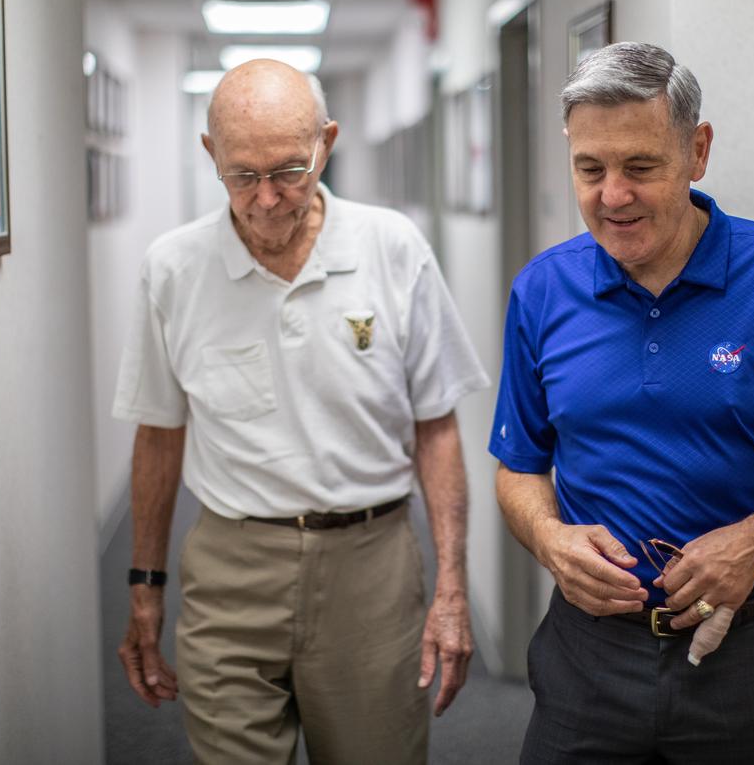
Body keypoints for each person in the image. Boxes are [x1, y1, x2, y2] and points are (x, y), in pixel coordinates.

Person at [491, 42, 754, 763]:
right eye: (590, 169)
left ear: (697, 151)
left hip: (752, 651)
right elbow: (517, 466)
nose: (612, 196)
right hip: (587, 655)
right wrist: (549, 539)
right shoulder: (542, 291)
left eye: (640, 167)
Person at [112, 60, 489, 764]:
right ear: (211, 156)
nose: (266, 200)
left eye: (289, 170)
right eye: (242, 176)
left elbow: (435, 426)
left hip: (371, 566)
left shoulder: (393, 247)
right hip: (229, 569)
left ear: (328, 142)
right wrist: (144, 584)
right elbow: (159, 434)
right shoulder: (173, 268)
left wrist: (452, 587)